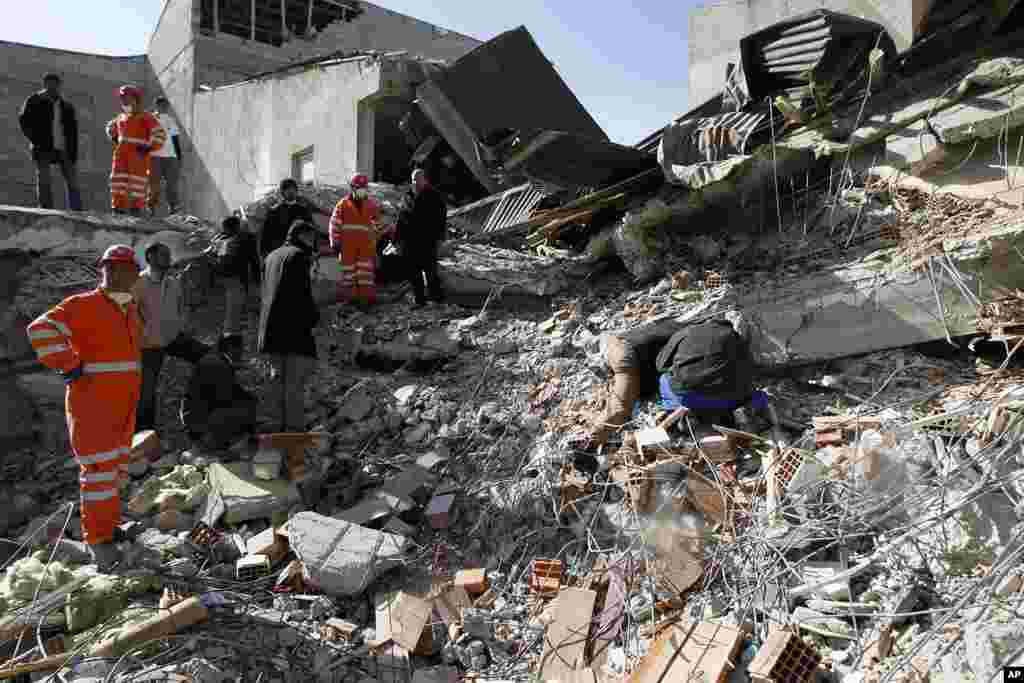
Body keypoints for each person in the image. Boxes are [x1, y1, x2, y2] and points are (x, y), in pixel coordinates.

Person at [25, 245, 143, 569]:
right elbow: (39, 330)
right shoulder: (83, 305)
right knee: (97, 474)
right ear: (106, 271)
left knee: (113, 471)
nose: (118, 274)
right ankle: (98, 540)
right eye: (111, 268)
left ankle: (109, 527)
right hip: (93, 406)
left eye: (126, 269)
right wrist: (68, 363)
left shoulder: (129, 310)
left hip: (122, 407)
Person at [583, 313, 762, 448]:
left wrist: (594, 436)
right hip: (735, 383)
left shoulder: (621, 354)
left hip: (697, 386)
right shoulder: (687, 329)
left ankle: (688, 423)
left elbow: (619, 407)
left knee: (668, 386)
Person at [132, 242, 210, 431]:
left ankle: (199, 410)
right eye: (164, 255)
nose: (169, 259)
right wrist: (145, 333)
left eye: (169, 255)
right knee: (147, 391)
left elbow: (181, 307)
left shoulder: (173, 283)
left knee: (209, 358)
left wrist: (178, 326)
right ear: (150, 257)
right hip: (148, 344)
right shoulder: (138, 283)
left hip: (172, 338)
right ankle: (144, 433)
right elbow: (131, 314)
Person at [258, 220, 320, 432]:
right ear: (303, 236)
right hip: (294, 329)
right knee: (294, 382)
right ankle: (294, 432)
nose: (313, 243)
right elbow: (302, 294)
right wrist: (313, 319)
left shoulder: (271, 256)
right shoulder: (299, 256)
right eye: (311, 238)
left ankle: (277, 430)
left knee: (276, 381)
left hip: (270, 329)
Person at [18, 73, 82, 211]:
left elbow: (73, 131)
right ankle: (46, 210)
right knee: (44, 179)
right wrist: (35, 139)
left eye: (56, 84)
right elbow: (23, 120)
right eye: (50, 84)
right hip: (43, 148)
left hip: (63, 148)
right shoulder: (35, 100)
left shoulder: (66, 106)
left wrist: (73, 153)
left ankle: (77, 210)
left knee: (72, 181)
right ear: (45, 84)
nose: (53, 87)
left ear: (59, 86)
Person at [207, 215, 261, 362]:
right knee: (233, 321)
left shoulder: (218, 239)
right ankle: (231, 356)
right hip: (235, 281)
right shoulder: (245, 238)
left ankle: (224, 353)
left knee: (229, 320)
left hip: (220, 282)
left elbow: (211, 259)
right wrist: (257, 282)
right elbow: (254, 260)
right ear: (238, 226)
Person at [180, 350, 259, 450]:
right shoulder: (206, 383)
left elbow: (238, 394)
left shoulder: (221, 375)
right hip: (202, 427)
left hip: (204, 426)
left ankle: (221, 443)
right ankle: (215, 444)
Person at [106, 85, 166, 216]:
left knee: (137, 183)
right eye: (122, 100)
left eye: (127, 99)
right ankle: (117, 209)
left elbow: (160, 134)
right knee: (117, 182)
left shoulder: (146, 117)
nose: (124, 102)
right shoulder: (121, 117)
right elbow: (111, 128)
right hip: (121, 155)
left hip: (138, 155)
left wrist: (149, 147)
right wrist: (114, 137)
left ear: (136, 99)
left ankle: (136, 210)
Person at [329, 173, 384, 305]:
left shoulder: (371, 205)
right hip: (347, 248)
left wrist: (376, 243)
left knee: (365, 276)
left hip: (366, 248)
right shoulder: (342, 204)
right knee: (349, 276)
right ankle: (351, 301)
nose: (362, 190)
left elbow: (378, 226)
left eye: (364, 188)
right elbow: (334, 224)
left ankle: (366, 301)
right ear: (352, 188)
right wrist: (335, 243)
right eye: (359, 187)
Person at [396, 169, 447, 307]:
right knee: (414, 272)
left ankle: (436, 299)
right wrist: (397, 239)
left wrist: (440, 238)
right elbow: (401, 219)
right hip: (410, 241)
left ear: (425, 180)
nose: (416, 182)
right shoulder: (407, 196)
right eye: (413, 179)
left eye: (418, 179)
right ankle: (419, 300)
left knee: (431, 271)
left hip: (428, 240)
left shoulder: (434, 196)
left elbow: (441, 219)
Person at [260, 178, 329, 260]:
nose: (291, 191)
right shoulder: (274, 211)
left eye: (293, 189)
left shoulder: (303, 210)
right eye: (287, 189)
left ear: (296, 191)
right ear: (282, 192)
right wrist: (265, 253)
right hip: (279, 253)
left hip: (300, 252)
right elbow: (267, 234)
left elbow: (311, 231)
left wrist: (314, 250)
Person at [147, 96, 183, 216]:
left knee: (172, 184)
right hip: (154, 156)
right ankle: (151, 208)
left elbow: (175, 138)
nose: (163, 107)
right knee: (154, 184)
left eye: (165, 105)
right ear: (156, 105)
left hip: (170, 157)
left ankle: (173, 208)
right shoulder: (150, 119)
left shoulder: (170, 120)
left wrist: (179, 156)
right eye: (161, 105)